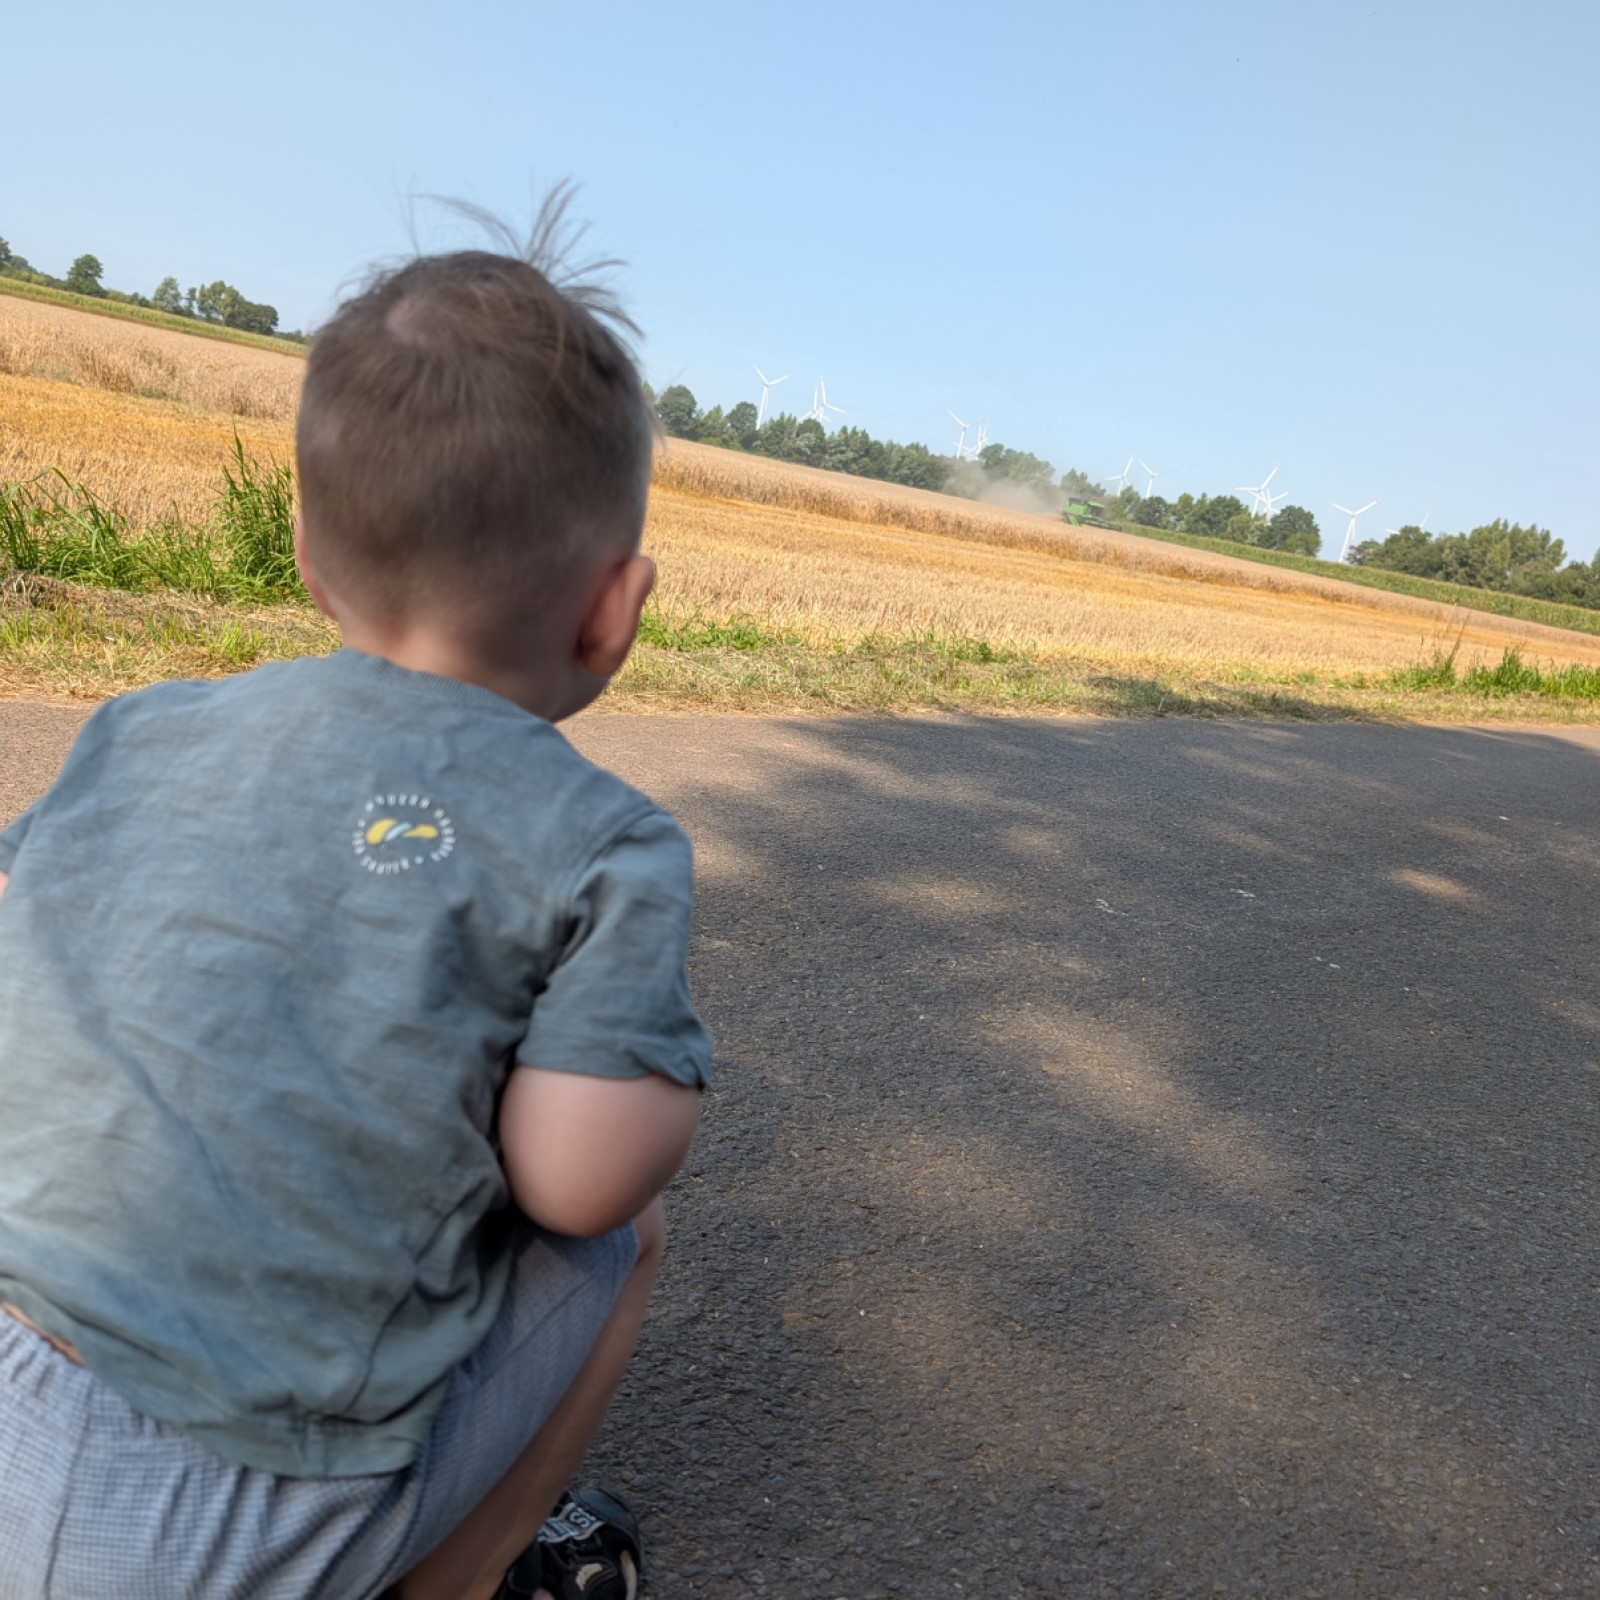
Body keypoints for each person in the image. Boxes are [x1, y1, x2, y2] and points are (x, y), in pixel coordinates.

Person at [0, 220, 710, 1600]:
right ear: (614, 610)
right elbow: (579, 1181)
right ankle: (466, 1577)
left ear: (307, 553)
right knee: (624, 1241)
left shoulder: (140, 726)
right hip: (198, 1530)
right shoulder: (608, 845)